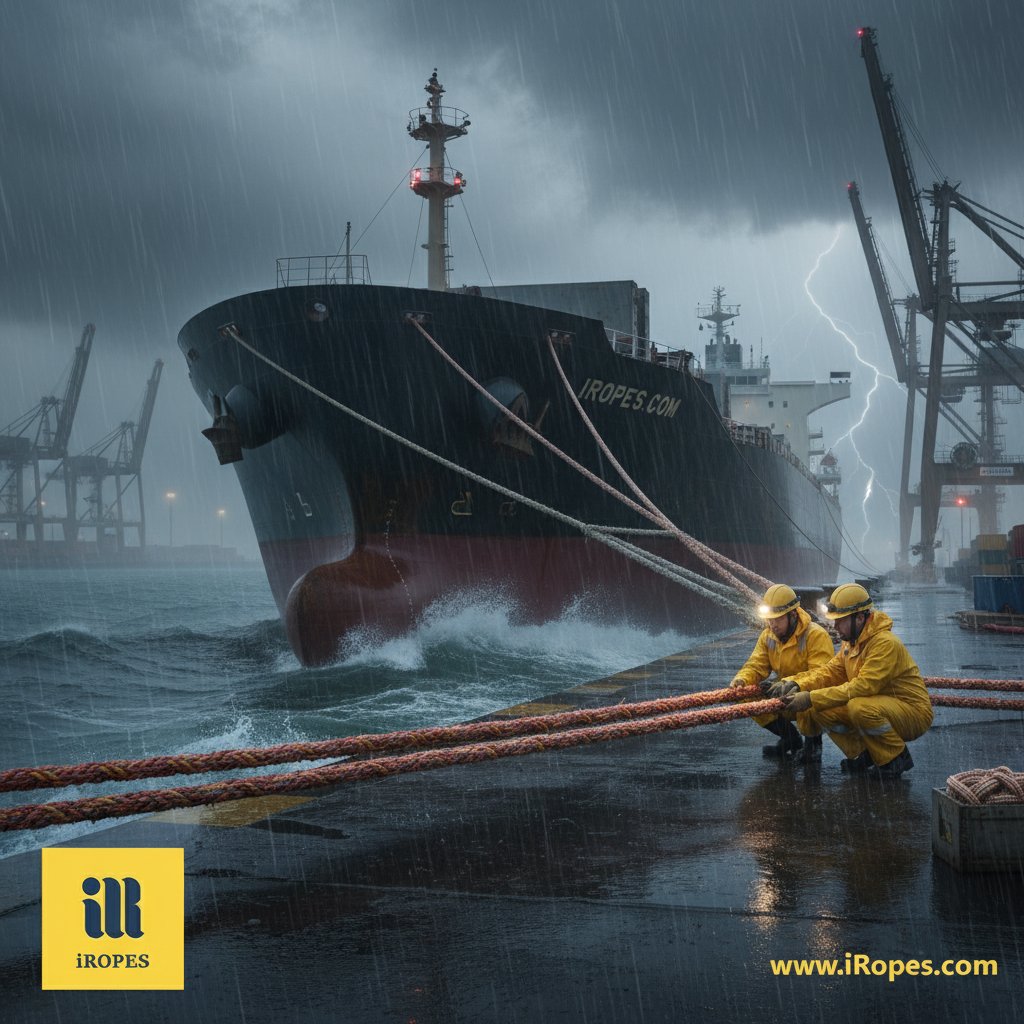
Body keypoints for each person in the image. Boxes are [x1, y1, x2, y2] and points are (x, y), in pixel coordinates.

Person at [779, 583, 933, 779]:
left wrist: (810, 697)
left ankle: (895, 758)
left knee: (858, 707)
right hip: (880, 705)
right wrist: (796, 683)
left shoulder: (884, 643)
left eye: (840, 621)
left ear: (860, 618)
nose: (835, 627)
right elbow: (829, 672)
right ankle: (867, 754)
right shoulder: (851, 641)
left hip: (912, 713)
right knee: (819, 709)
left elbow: (863, 686)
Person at [730, 584, 835, 762]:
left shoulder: (816, 635)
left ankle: (813, 745)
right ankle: (790, 738)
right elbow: (756, 665)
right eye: (769, 619)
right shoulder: (768, 636)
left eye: (777, 619)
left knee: (808, 695)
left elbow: (822, 676)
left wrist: (790, 684)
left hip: (810, 699)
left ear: (793, 615)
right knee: (745, 696)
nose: (772, 624)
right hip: (783, 694)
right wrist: (741, 680)